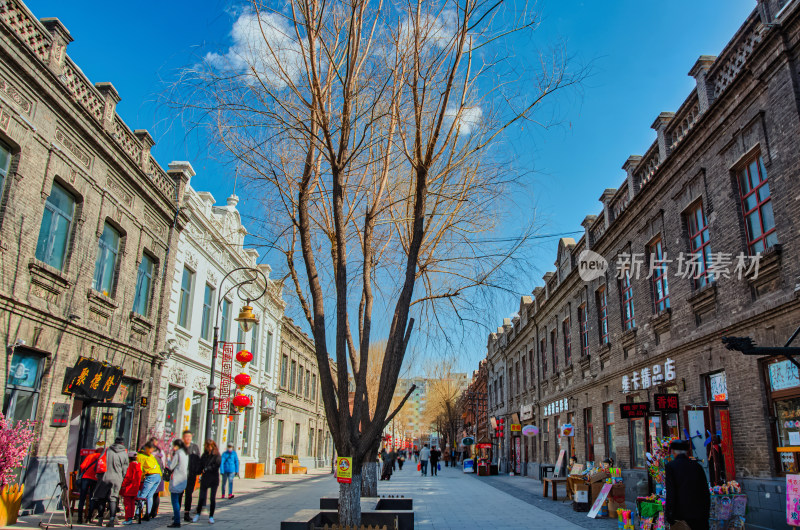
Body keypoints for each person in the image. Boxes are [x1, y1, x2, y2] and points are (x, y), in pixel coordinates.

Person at [665, 440, 710, 530]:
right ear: (687, 451)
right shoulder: (697, 466)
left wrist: (669, 514)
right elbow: (705, 492)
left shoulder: (671, 466)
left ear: (673, 452)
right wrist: (706, 514)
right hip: (699, 516)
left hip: (681, 516)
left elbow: (671, 493)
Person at [92, 436, 129, 527]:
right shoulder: (124, 454)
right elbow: (125, 470)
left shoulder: (107, 450)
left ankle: (100, 520)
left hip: (104, 477)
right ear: (122, 444)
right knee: (113, 498)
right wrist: (121, 478)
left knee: (101, 498)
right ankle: (111, 520)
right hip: (116, 478)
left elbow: (99, 463)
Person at [193, 439, 221, 524]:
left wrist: (207, 468)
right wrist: (197, 471)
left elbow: (216, 465)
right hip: (205, 478)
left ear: (212, 446)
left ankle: (211, 516)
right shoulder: (204, 455)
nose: (207, 448)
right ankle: (198, 514)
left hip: (213, 479)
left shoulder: (217, 455)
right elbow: (200, 465)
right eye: (206, 446)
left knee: (212, 498)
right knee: (201, 497)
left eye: (208, 446)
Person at [78, 441, 106, 524]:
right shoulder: (103, 458)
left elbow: (82, 466)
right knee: (92, 498)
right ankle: (89, 518)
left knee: (82, 498)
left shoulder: (90, 456)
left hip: (86, 478)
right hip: (95, 480)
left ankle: (79, 518)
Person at [135, 441, 162, 521]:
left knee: (143, 495)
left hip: (150, 476)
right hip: (158, 475)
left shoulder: (140, 456)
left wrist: (140, 479)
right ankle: (148, 514)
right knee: (150, 496)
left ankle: (137, 513)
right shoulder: (151, 456)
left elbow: (140, 469)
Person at [166, 439, 189, 528]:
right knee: (177, 500)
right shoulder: (185, 453)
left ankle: (177, 521)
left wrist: (168, 459)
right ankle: (177, 519)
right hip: (183, 479)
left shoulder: (178, 453)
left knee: (175, 501)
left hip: (176, 480)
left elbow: (171, 466)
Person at [181, 430, 202, 523]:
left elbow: (198, 460)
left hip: (191, 475)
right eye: (186, 437)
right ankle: (177, 513)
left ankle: (186, 513)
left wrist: (198, 471)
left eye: (189, 437)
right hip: (181, 475)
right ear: (183, 438)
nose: (188, 438)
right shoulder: (180, 448)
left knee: (189, 494)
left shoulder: (195, 447)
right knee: (179, 493)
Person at [119, 452, 142, 526]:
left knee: (127, 504)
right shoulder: (138, 465)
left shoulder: (131, 465)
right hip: (135, 488)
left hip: (129, 488)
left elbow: (128, 477)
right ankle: (131, 517)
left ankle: (128, 519)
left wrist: (123, 485)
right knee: (132, 503)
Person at [148, 437, 165, 519]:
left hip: (151, 475)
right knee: (155, 494)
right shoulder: (161, 453)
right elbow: (164, 465)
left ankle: (149, 512)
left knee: (150, 494)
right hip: (159, 475)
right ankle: (154, 512)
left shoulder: (150, 455)